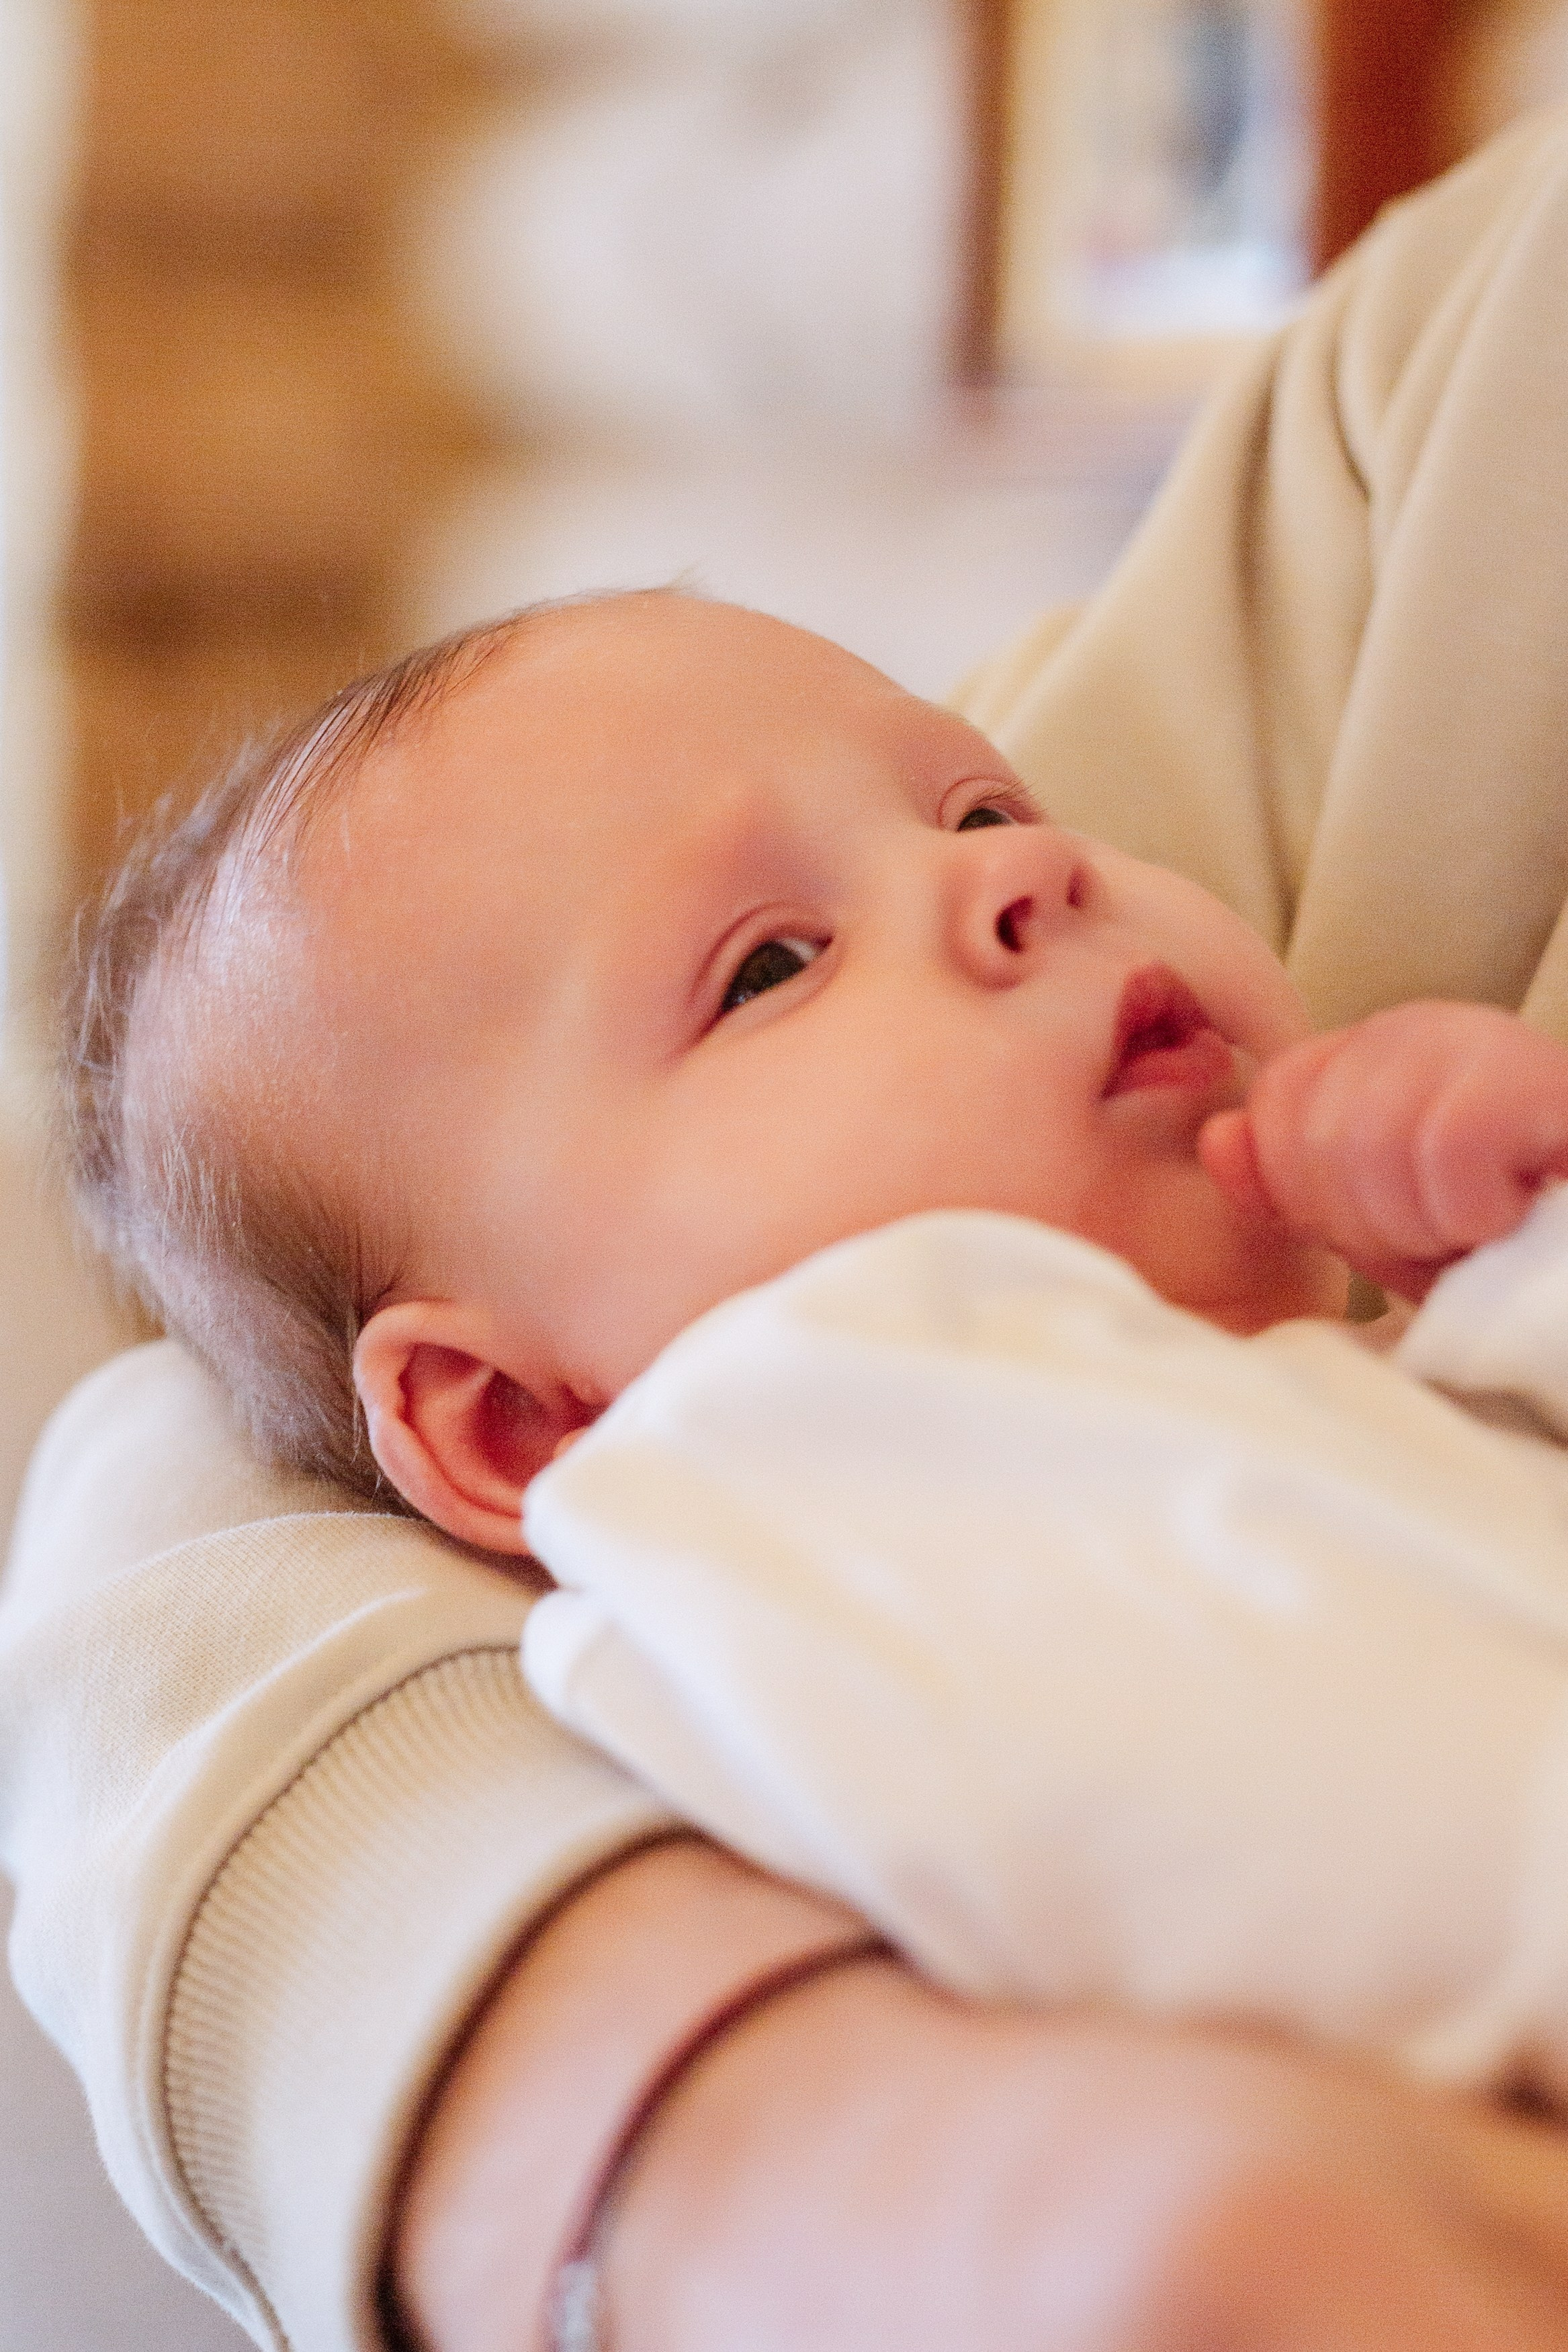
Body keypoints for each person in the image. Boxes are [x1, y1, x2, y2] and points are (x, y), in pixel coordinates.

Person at [11, 101, 1568, 2352]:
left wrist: (1464, 1230)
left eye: (979, 800)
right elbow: (175, 1494)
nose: (1017, 870)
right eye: (769, 965)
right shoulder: (807, 1492)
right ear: (510, 1418)